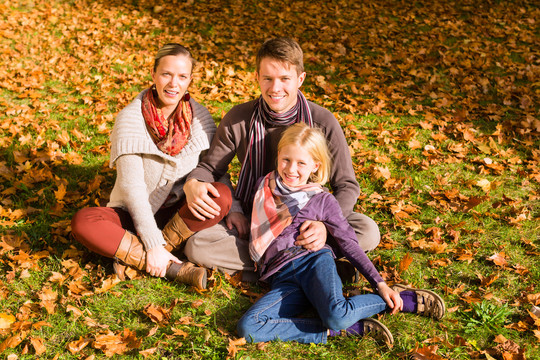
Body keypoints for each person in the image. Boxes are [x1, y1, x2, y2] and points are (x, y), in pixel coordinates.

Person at [182, 37, 380, 278]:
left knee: (368, 230)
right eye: (268, 78)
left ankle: (277, 266)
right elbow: (210, 169)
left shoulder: (322, 122)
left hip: (307, 220)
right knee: (198, 245)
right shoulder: (239, 118)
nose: (275, 88)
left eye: (285, 79)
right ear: (257, 77)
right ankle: (310, 266)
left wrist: (325, 227)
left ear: (300, 79)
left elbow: (346, 185)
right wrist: (195, 184)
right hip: (255, 220)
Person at [236, 123, 446, 344]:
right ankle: (341, 328)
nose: (290, 169)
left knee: (336, 316)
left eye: (301, 163)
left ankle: (401, 298)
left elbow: (349, 244)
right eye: (286, 159)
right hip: (282, 278)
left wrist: (380, 284)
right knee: (248, 327)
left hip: (313, 264)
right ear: (278, 155)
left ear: (315, 166)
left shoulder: (322, 200)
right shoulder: (264, 186)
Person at [71, 43, 232, 290]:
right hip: (132, 213)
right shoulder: (131, 118)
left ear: (190, 80)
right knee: (84, 221)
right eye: (166, 74)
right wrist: (153, 245)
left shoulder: (201, 118)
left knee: (221, 194)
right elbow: (132, 188)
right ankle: (172, 268)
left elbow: (215, 170)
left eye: (182, 76)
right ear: (153, 75)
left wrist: (237, 209)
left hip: (178, 214)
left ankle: (137, 256)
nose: (173, 84)